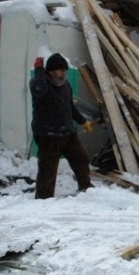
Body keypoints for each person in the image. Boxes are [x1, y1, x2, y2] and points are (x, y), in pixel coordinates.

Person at [30, 53, 95, 199]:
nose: (63, 73)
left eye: (64, 70)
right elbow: (39, 90)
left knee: (81, 159)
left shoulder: (65, 85)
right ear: (51, 71)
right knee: (48, 171)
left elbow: (69, 106)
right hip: (48, 135)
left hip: (67, 133)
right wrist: (39, 70)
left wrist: (82, 121)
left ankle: (86, 189)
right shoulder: (40, 83)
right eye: (60, 70)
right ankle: (43, 200)